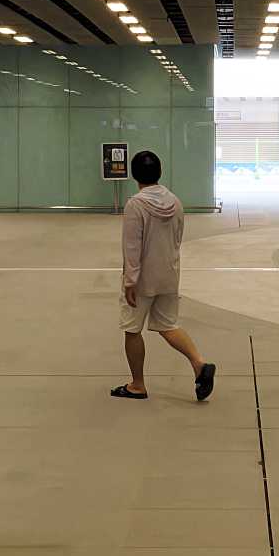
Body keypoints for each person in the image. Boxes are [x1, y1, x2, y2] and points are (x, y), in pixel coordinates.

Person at [112, 150, 215, 402]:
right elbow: (178, 239)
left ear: (134, 175)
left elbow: (132, 247)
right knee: (168, 325)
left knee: (132, 330)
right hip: (169, 274)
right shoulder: (175, 202)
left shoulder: (135, 204)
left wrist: (130, 281)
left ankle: (137, 385)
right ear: (159, 172)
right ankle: (199, 363)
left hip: (142, 281)